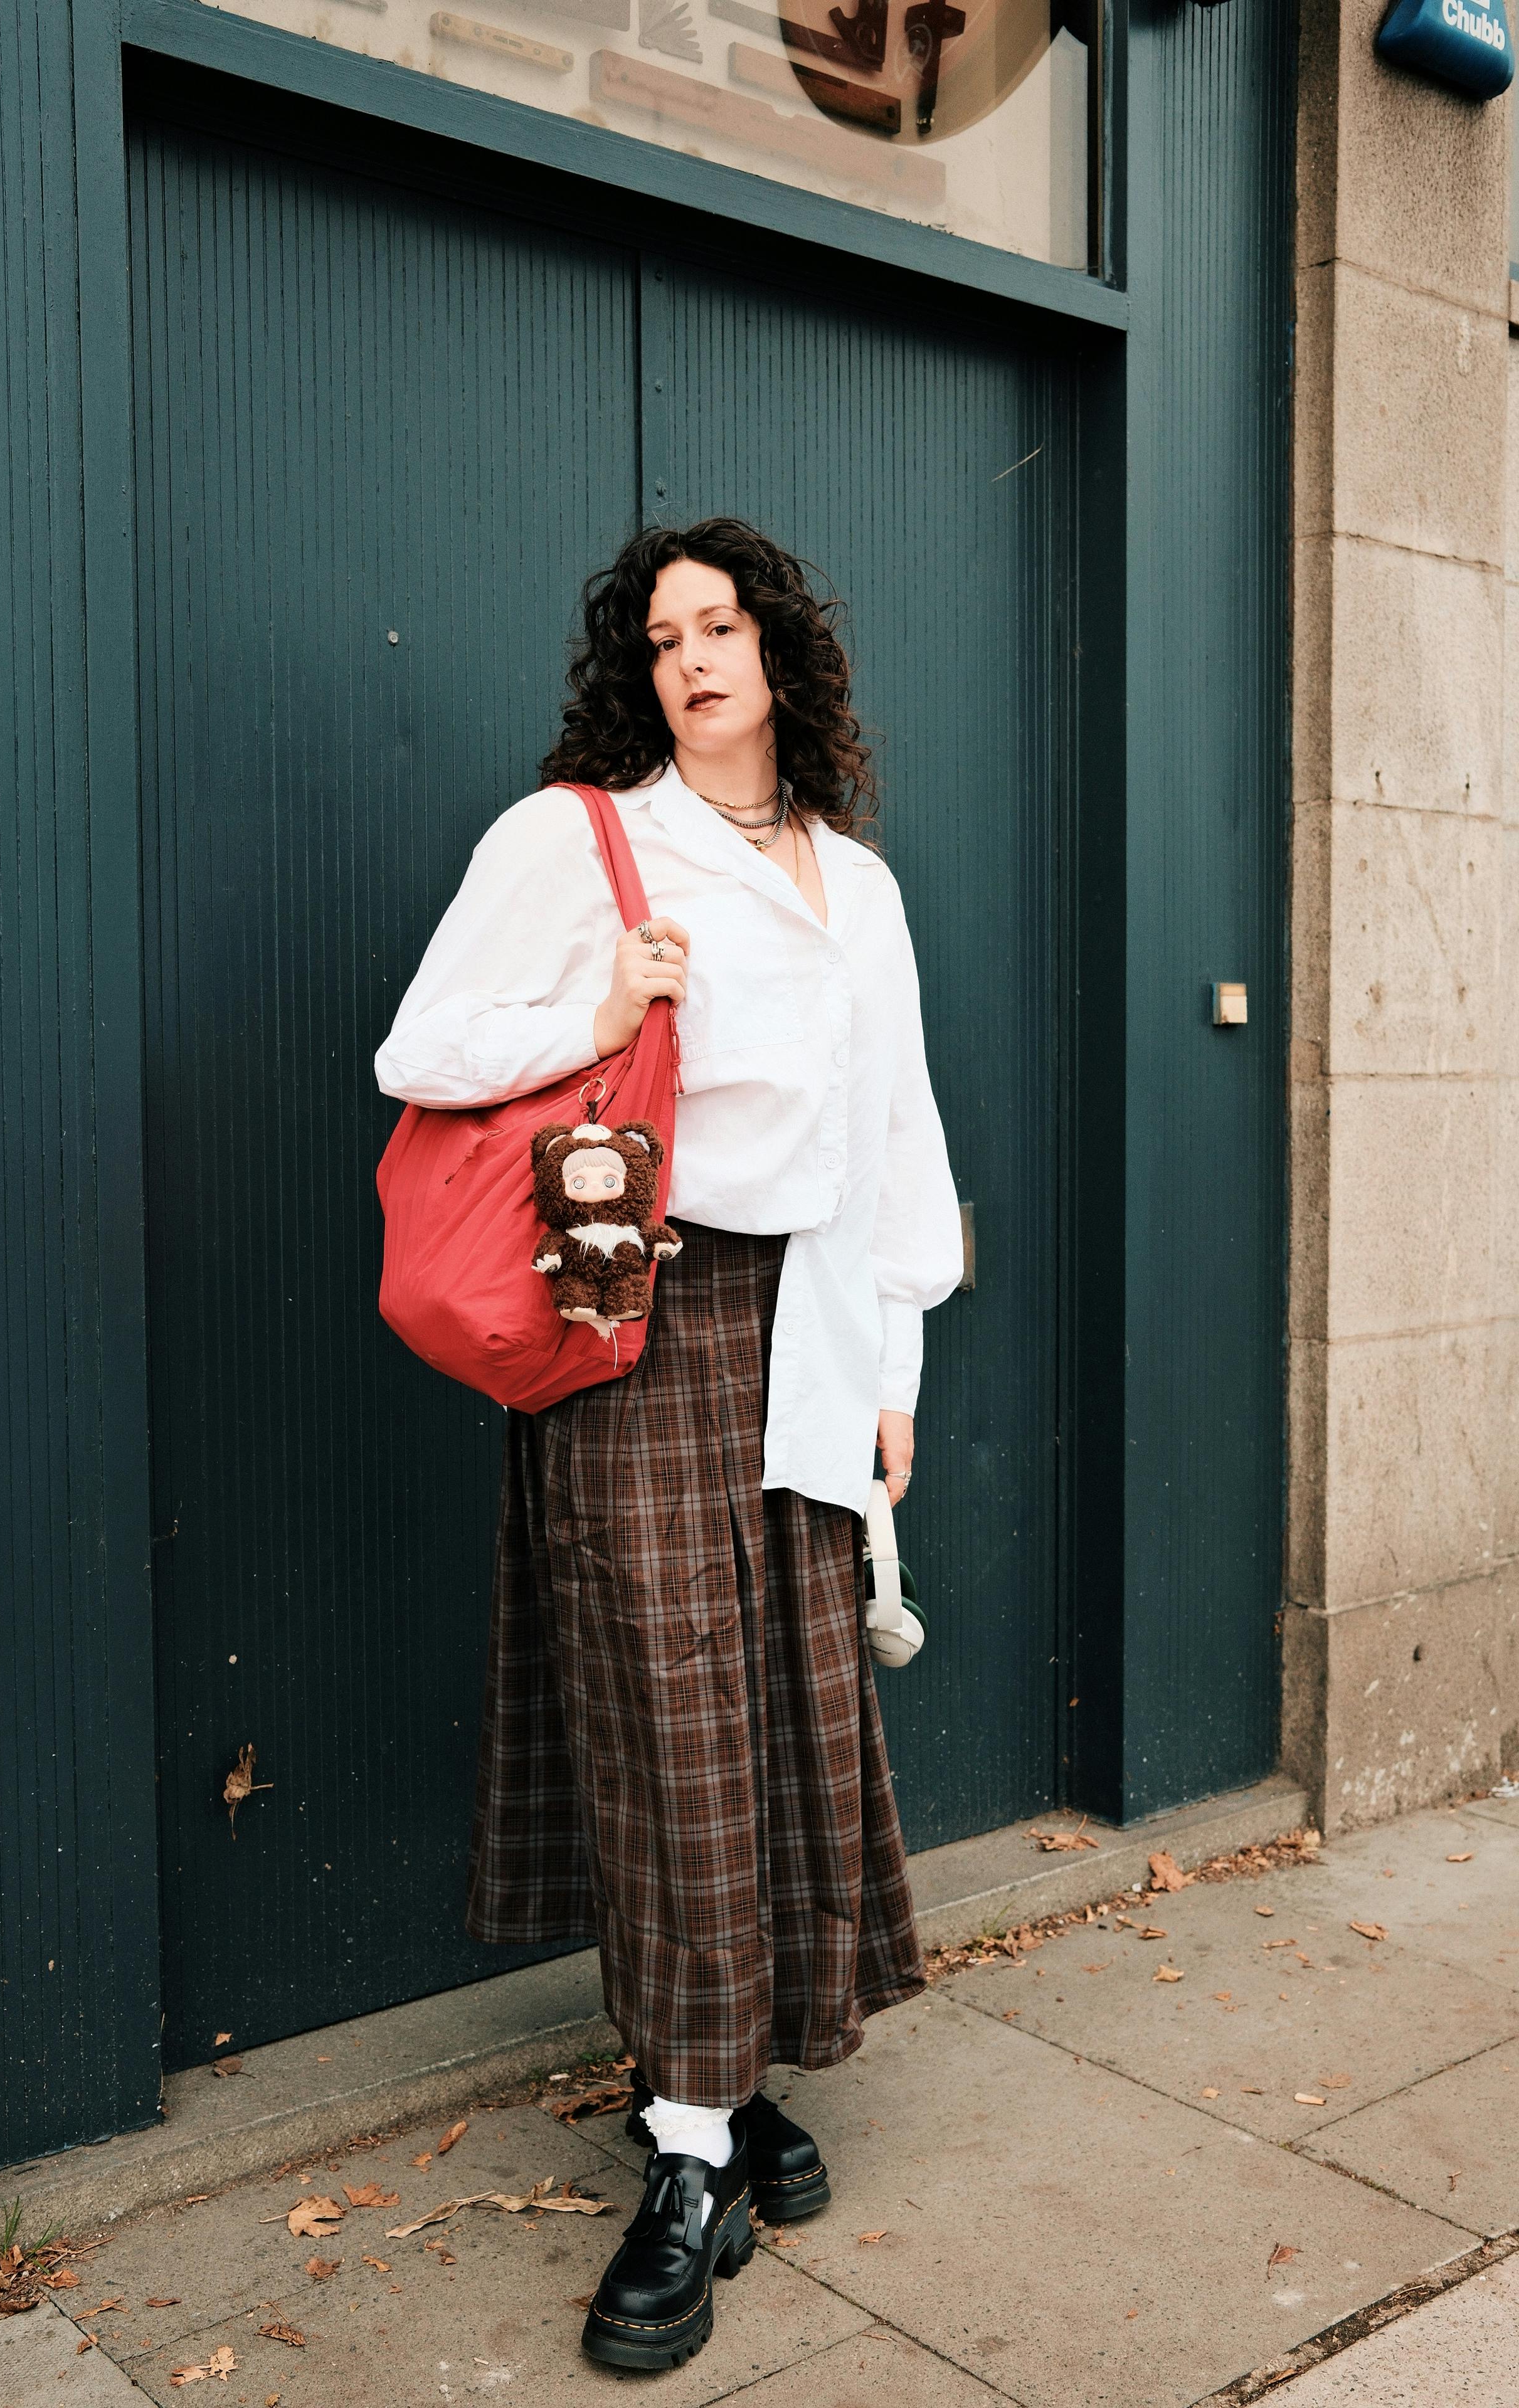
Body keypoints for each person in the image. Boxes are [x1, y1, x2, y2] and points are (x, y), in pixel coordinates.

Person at [374, 517, 961, 2372]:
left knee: (779, 1709)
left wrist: (898, 1365)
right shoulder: (580, 836)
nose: (692, 656)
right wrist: (600, 1007)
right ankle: (693, 2150)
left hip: (808, 1329)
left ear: (782, 649)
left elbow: (896, 1128)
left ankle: (719, 2082)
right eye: (660, 637)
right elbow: (420, 1048)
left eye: (722, 625)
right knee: (669, 1720)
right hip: (637, 1318)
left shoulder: (855, 883)